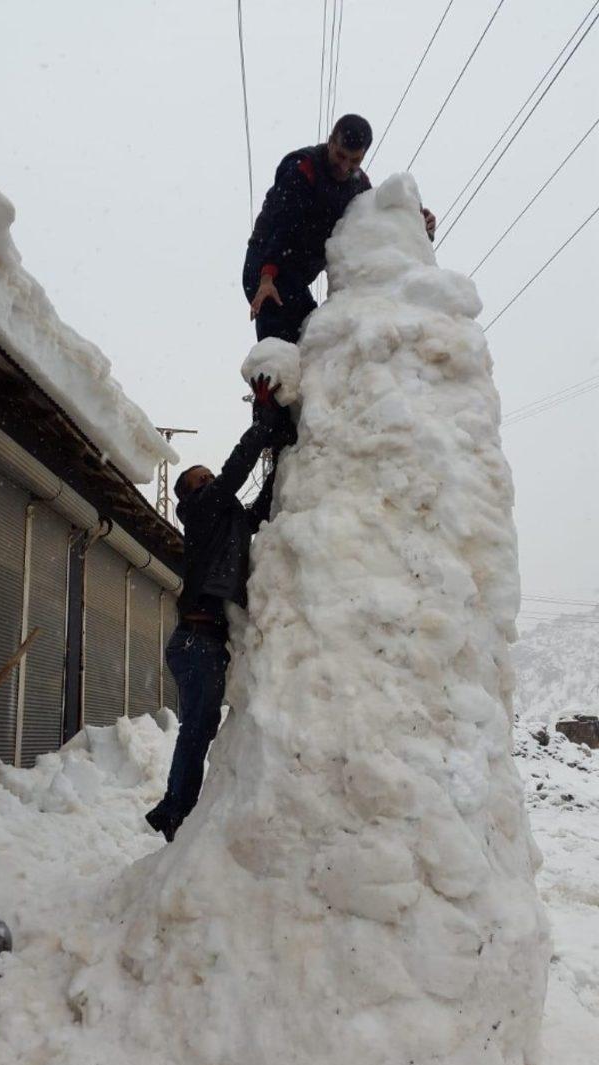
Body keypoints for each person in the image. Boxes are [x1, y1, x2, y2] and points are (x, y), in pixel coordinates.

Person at [146, 379, 295, 843]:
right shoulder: (204, 512)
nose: (209, 484)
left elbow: (257, 510)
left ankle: (178, 810)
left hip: (207, 641)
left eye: (208, 479)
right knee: (198, 728)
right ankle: (174, 812)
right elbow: (233, 473)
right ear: (189, 498)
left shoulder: (226, 519)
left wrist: (285, 464)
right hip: (195, 641)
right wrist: (262, 426)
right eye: (200, 482)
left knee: (202, 727)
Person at [243, 113, 436, 346]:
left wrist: (416, 222)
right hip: (267, 265)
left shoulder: (358, 184)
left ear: (363, 155)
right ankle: (270, 373)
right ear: (331, 141)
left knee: (314, 337)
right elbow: (280, 229)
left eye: (354, 161)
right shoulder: (303, 169)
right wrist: (266, 278)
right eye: (340, 156)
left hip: (296, 277)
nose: (344, 167)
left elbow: (375, 222)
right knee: (282, 340)